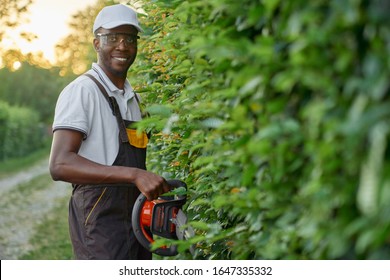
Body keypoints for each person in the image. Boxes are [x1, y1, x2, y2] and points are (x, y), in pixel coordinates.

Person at [49, 4, 171, 260]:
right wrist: (135, 174)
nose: (122, 45)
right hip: (100, 227)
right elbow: (59, 164)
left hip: (137, 226)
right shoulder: (83, 90)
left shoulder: (133, 99)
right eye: (112, 37)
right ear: (96, 43)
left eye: (129, 38)